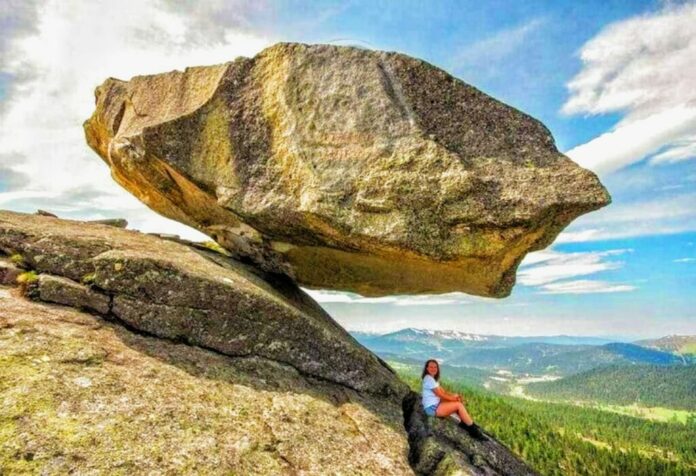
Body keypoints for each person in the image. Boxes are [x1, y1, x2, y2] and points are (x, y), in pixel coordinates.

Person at [421, 359, 487, 441]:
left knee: (455, 399)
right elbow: (440, 395)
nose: (433, 369)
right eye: (431, 367)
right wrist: (454, 399)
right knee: (458, 405)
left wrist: (455, 396)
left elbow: (444, 392)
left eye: (435, 367)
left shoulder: (432, 379)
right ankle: (473, 430)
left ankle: (465, 422)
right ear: (427, 368)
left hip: (435, 404)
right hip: (432, 408)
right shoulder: (429, 379)